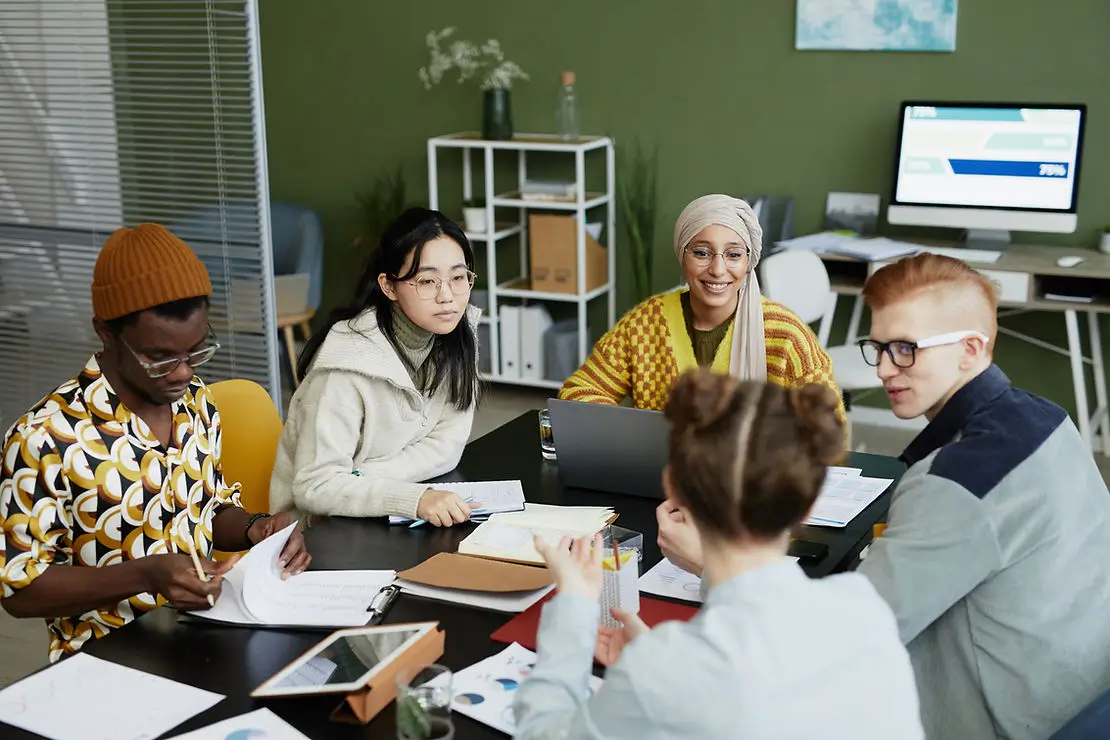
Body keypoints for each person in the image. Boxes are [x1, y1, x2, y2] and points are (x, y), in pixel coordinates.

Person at [513, 370, 922, 739]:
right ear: (811, 503)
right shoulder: (866, 608)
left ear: (675, 487)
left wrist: (572, 610)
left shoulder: (669, 668)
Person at [0, 223, 310, 663]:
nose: (182, 372)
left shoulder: (196, 401)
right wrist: (146, 575)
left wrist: (255, 528)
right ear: (106, 332)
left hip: (207, 636)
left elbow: (207, 508)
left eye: (196, 351)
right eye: (160, 357)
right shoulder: (44, 439)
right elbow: (19, 588)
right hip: (110, 660)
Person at [849, 253, 1110, 739]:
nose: (884, 368)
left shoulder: (956, 482)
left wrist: (722, 565)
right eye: (878, 346)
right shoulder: (1048, 416)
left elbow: (849, 637)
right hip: (1087, 690)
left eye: (905, 348)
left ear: (971, 349)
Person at [269, 207, 481, 526]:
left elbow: (446, 447)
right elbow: (316, 485)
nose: (448, 296)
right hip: (315, 537)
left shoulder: (457, 335)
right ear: (389, 286)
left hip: (382, 518)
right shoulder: (344, 368)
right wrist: (413, 498)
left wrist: (361, 478)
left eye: (458, 277)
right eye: (427, 281)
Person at [558, 194, 844, 422]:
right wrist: (627, 434)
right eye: (701, 252)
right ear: (682, 255)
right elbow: (579, 393)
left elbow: (828, 424)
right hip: (660, 482)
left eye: (733, 254)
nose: (718, 269)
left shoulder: (785, 335)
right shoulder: (643, 324)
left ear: (748, 263)